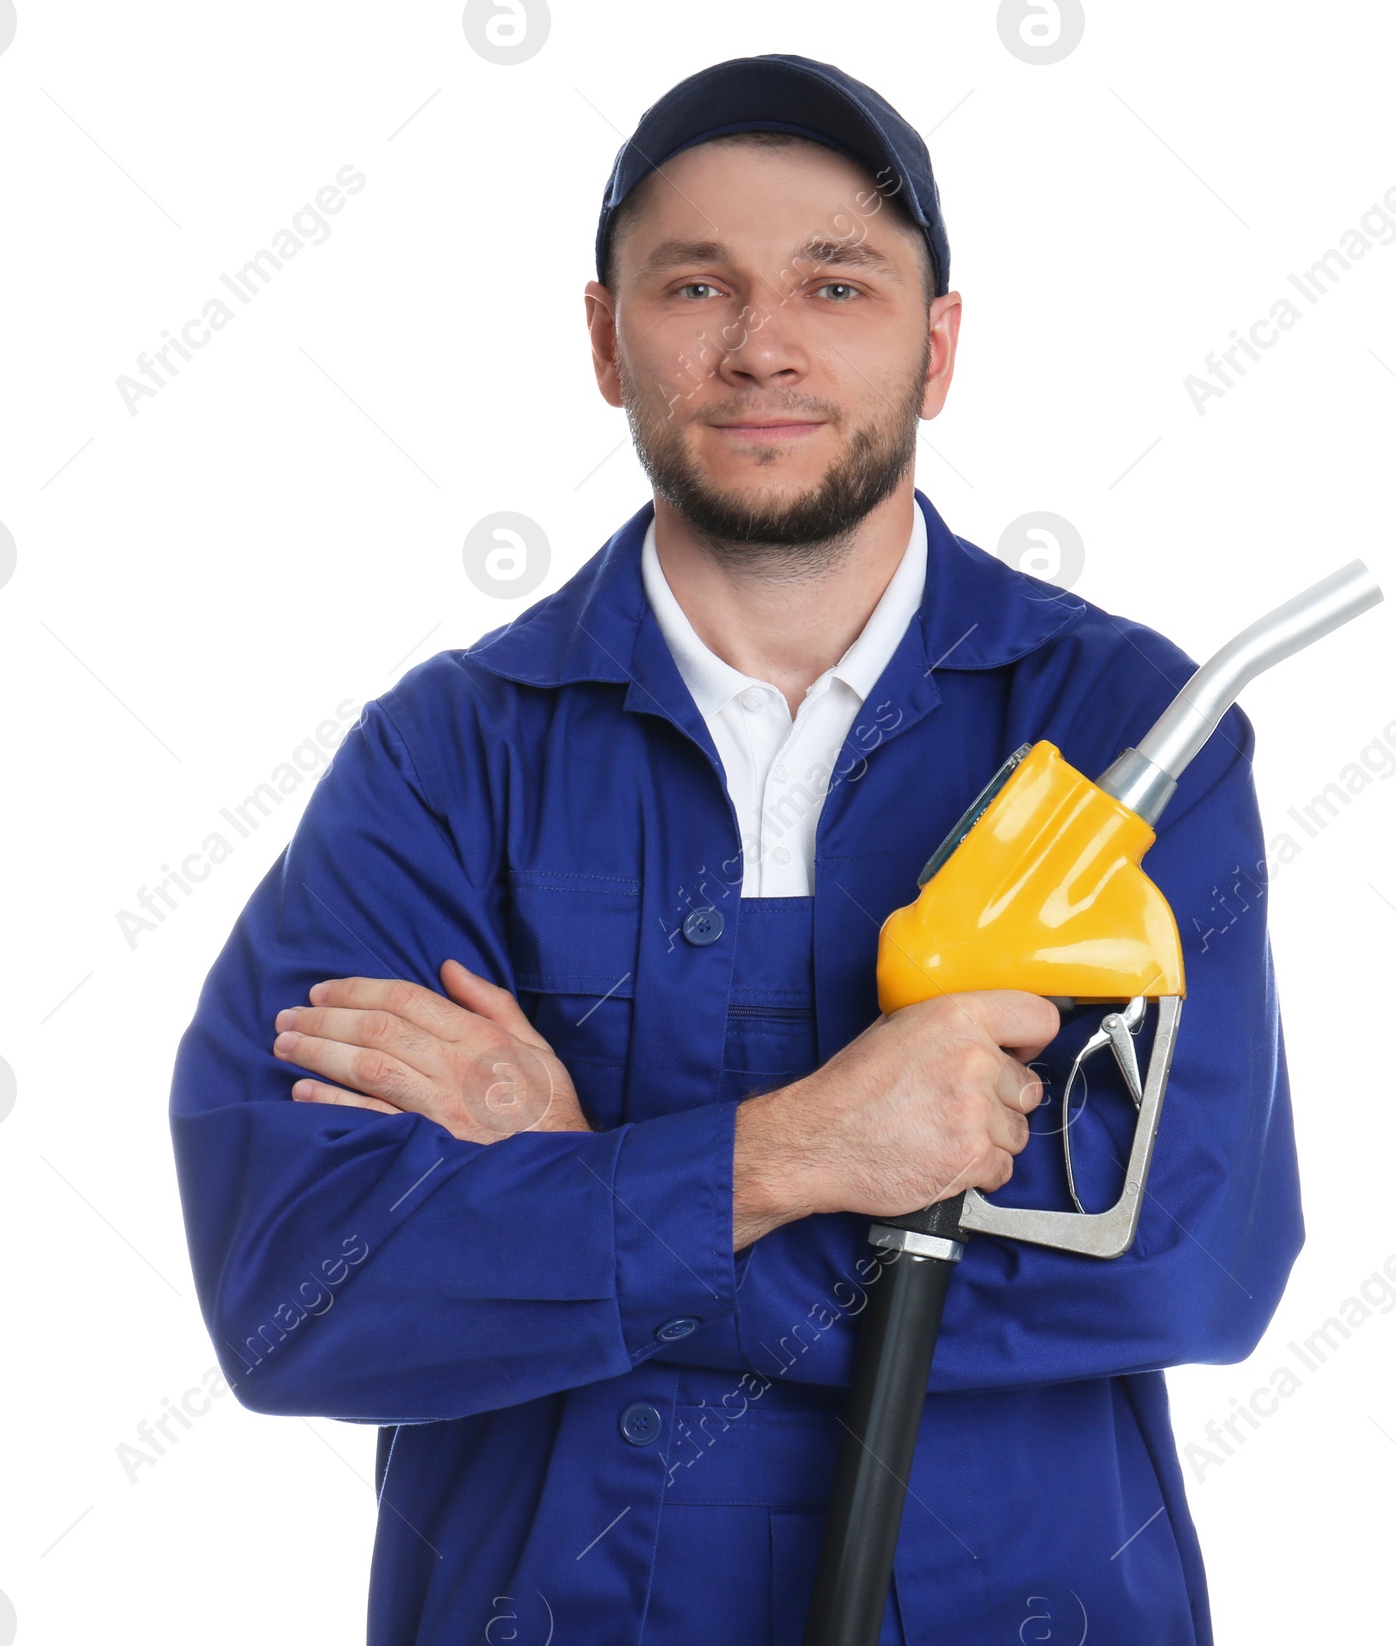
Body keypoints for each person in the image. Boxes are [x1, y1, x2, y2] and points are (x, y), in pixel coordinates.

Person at [170, 54, 1303, 1646]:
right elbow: (301, 1291)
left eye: (836, 283)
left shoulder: (1122, 738)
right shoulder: (444, 758)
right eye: (697, 284)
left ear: (939, 343)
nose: (762, 345)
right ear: (604, 336)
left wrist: (583, 1180)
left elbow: (1182, 1261)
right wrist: (798, 1153)